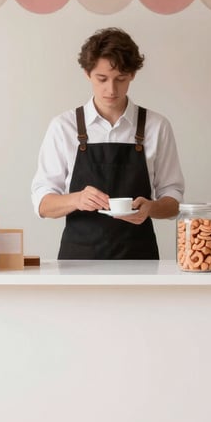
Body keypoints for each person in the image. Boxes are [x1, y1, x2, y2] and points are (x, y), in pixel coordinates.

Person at [31, 27, 185, 259]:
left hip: (140, 261)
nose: (111, 89)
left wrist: (151, 208)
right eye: (102, 79)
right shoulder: (64, 126)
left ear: (132, 74)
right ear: (87, 73)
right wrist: (77, 199)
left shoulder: (156, 126)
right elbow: (43, 203)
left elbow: (174, 199)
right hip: (77, 262)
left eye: (120, 79)